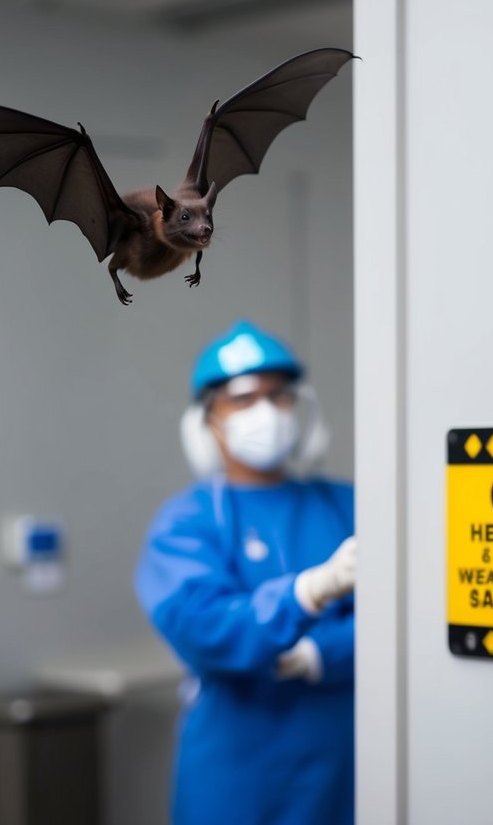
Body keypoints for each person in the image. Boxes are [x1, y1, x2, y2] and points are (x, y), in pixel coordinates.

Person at [135, 320, 356, 825]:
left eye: (279, 396)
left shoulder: (347, 506)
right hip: (236, 774)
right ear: (206, 421)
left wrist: (320, 654)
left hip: (343, 764)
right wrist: (310, 591)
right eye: (243, 398)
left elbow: (403, 627)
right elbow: (203, 629)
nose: (267, 411)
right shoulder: (188, 521)